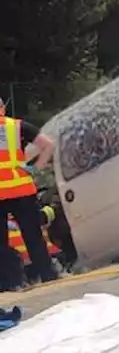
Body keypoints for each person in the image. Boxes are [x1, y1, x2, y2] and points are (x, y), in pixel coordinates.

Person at [0, 98, 58, 284]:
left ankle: (10, 283)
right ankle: (48, 276)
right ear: (3, 108)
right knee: (33, 236)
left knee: (1, 244)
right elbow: (48, 145)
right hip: (22, 191)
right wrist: (35, 168)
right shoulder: (17, 127)